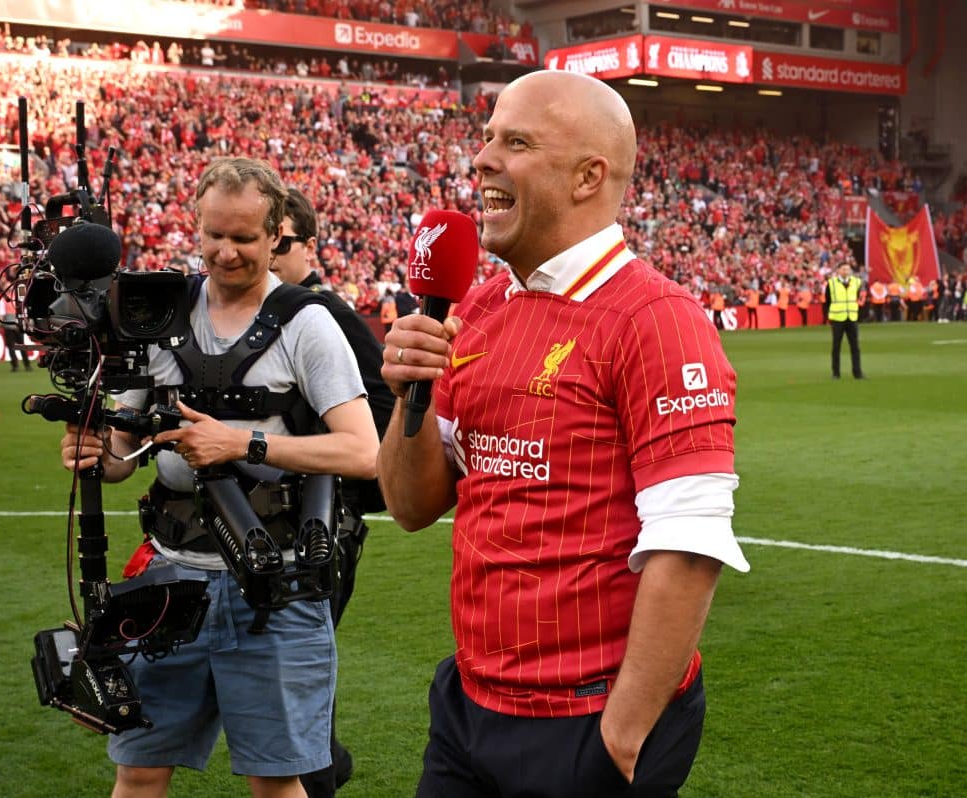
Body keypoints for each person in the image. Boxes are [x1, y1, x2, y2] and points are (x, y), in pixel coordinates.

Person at [377, 70, 749, 798]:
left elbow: (691, 546)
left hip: (586, 718)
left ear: (588, 176)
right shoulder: (480, 307)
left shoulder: (656, 319)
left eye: (514, 142)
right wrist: (407, 398)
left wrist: (622, 732)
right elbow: (412, 504)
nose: (481, 159)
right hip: (470, 703)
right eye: (486, 138)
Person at [59, 157, 379, 798]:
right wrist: (101, 455)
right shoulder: (154, 314)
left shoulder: (306, 321)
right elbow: (126, 454)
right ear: (196, 226)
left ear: (276, 236)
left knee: (276, 778)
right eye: (214, 236)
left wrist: (243, 441)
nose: (226, 253)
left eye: (244, 238)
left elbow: (364, 452)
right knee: (140, 768)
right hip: (168, 580)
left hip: (276, 584)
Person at [269, 185, 395, 797]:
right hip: (273, 516)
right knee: (283, 673)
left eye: (281, 242)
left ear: (307, 246)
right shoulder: (270, 311)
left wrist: (345, 479)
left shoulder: (322, 313)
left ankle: (319, 770)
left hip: (319, 517)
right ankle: (322, 763)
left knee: (290, 674)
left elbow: (383, 405)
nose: (268, 254)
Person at [825, 261, 865, 380]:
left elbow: (857, 298)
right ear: (838, 270)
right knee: (836, 347)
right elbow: (827, 300)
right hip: (837, 318)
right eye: (843, 269)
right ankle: (836, 373)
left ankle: (857, 373)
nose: (846, 271)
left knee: (855, 347)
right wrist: (829, 316)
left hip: (851, 318)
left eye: (847, 269)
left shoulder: (856, 282)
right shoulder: (831, 283)